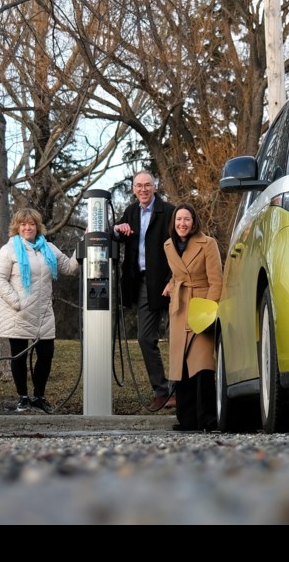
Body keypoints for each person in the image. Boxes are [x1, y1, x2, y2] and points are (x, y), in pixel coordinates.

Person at [0, 207, 79, 413]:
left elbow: (69, 268)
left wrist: (83, 246)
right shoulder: (9, 249)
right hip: (18, 312)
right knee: (19, 356)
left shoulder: (48, 248)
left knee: (46, 353)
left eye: (31, 224)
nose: (27, 227)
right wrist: (17, 301)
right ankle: (23, 398)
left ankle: (39, 397)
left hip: (43, 312)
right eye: (23, 224)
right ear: (17, 227)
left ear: (37, 226)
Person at [113, 170, 176, 412]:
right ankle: (161, 391)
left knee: (177, 338)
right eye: (138, 185)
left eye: (147, 185)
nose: (143, 189)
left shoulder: (169, 212)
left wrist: (173, 279)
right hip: (142, 284)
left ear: (155, 187)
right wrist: (118, 229)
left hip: (170, 282)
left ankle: (179, 392)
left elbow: (180, 246)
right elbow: (114, 233)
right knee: (144, 338)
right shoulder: (131, 212)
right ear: (133, 189)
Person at [162, 203, 223, 432]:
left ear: (194, 221)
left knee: (202, 365)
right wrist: (169, 286)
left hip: (201, 306)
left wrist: (209, 310)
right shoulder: (168, 245)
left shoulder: (208, 244)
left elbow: (217, 280)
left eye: (186, 219)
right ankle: (187, 420)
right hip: (179, 307)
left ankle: (208, 419)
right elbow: (178, 274)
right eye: (179, 220)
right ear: (174, 222)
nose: (182, 224)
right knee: (181, 366)